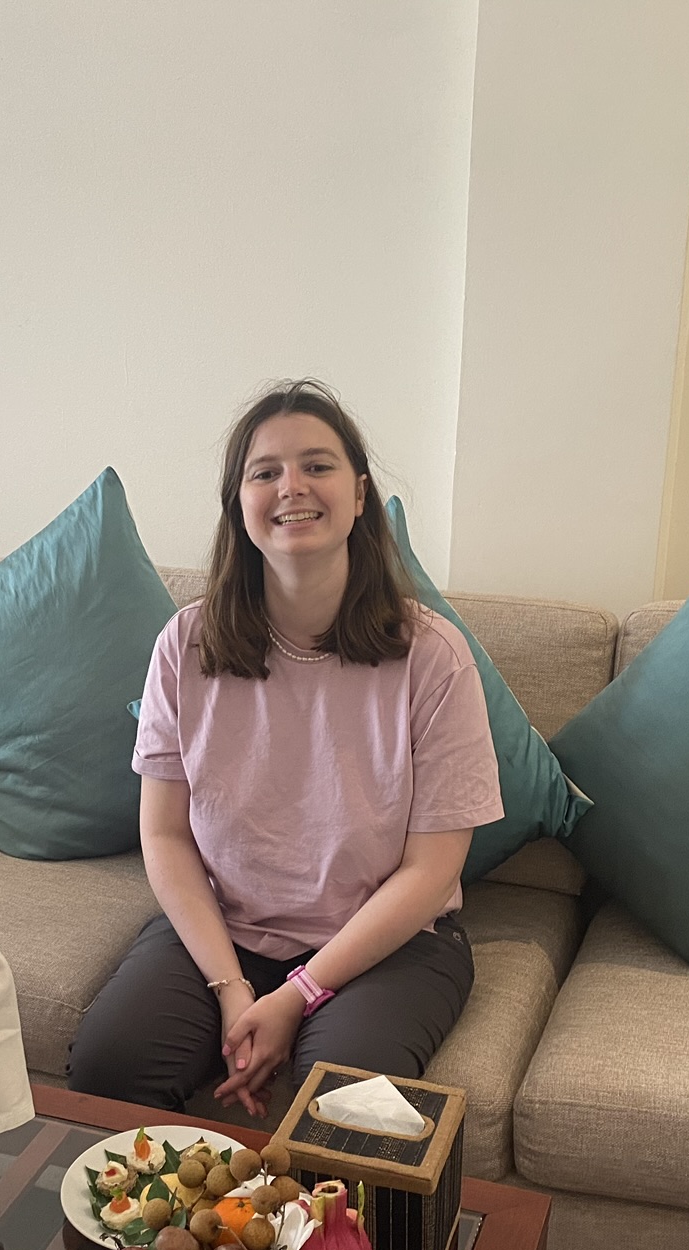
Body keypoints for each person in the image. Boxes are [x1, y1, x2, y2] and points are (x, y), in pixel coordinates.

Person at [67, 380, 502, 1118]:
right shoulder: (185, 644)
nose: (291, 487)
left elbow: (432, 873)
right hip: (228, 931)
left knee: (344, 1110)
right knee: (110, 1065)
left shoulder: (433, 656)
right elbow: (165, 836)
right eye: (264, 472)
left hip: (388, 944)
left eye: (317, 466)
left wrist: (298, 995)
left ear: (359, 495)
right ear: (239, 505)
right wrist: (232, 989)